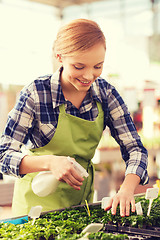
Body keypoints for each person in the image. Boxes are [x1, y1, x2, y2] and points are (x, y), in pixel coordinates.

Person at [0, 18, 148, 217]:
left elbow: (135, 149)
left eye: (97, 66)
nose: (88, 76)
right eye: (79, 67)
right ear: (59, 57)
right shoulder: (36, 93)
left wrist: (127, 190)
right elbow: (4, 155)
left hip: (79, 207)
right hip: (33, 209)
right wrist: (51, 162)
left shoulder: (107, 94)